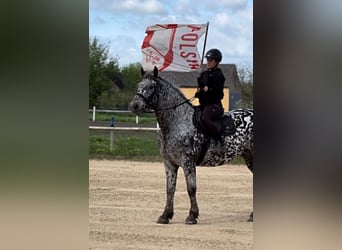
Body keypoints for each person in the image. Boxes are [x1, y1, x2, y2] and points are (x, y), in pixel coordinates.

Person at [195, 48, 225, 146]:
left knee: (205, 119)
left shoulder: (219, 75)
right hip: (204, 104)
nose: (208, 62)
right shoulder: (204, 74)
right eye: (207, 60)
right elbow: (202, 88)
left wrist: (207, 89)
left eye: (211, 60)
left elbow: (219, 94)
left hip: (214, 105)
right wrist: (199, 91)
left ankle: (219, 139)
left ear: (216, 61)